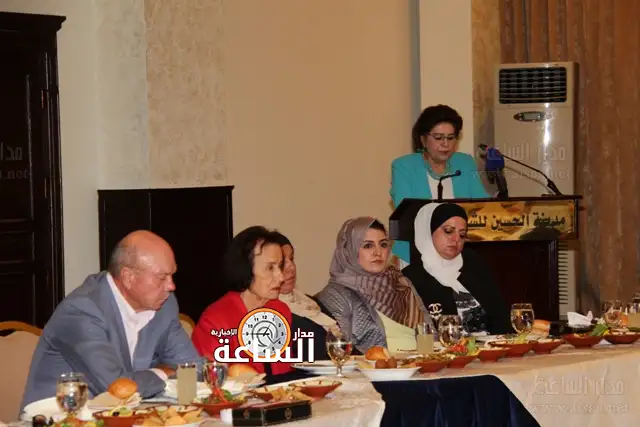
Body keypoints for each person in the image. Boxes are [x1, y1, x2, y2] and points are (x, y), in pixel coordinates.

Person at [21, 231, 200, 409]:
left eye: (172, 275)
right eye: (162, 277)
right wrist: (162, 373)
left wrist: (169, 382)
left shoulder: (164, 305)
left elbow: (194, 370)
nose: (171, 286)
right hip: (60, 415)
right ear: (128, 277)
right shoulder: (82, 310)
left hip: (127, 413)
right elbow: (115, 387)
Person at [390, 104, 489, 267]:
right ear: (423, 139)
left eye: (451, 138)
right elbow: (407, 214)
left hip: (459, 253)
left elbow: (482, 206)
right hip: (415, 255)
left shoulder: (465, 163)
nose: (446, 144)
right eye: (438, 138)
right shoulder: (404, 167)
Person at [316, 217, 433, 354]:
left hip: (422, 363)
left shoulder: (400, 282)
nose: (378, 252)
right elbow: (340, 349)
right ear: (349, 251)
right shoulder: (336, 294)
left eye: (383, 244)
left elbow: (429, 332)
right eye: (368, 246)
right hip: (376, 366)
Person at [191, 226, 293, 377]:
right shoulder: (214, 320)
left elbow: (285, 373)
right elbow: (210, 379)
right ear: (245, 269)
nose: (281, 277)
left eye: (280, 266)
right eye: (270, 268)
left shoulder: (280, 311)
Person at [402, 203, 511, 335]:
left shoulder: (473, 264)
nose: (455, 239)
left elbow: (500, 318)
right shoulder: (410, 278)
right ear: (430, 231)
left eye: (462, 234)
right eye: (448, 231)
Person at [274, 232, 337, 361]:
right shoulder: (270, 314)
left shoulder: (309, 301)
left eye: (291, 259)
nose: (291, 267)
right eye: (281, 263)